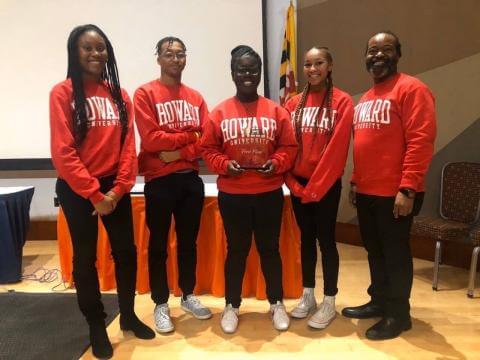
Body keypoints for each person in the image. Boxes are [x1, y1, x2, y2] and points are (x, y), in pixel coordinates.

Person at [50, 24, 154, 359]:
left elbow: (128, 147)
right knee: (85, 260)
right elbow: (63, 151)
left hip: (115, 188)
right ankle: (96, 324)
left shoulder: (119, 95)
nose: (96, 54)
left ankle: (127, 315)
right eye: (87, 48)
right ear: (74, 52)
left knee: (126, 252)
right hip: (78, 189)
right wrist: (94, 194)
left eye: (101, 48)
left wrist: (119, 189)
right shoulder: (62, 94)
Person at [342, 31, 436, 340]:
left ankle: (399, 314)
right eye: (372, 50)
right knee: (375, 252)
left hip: (396, 194)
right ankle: (379, 301)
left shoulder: (412, 89)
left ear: (398, 53)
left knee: (395, 254)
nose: (377, 55)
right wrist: (356, 181)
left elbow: (420, 141)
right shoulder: (368, 97)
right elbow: (366, 146)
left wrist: (408, 188)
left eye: (385, 50)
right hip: (368, 192)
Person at [201, 45, 298, 334]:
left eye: (252, 69)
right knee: (237, 251)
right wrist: (223, 164)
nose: (247, 74)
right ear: (232, 73)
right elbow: (208, 149)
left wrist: (278, 162)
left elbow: (288, 147)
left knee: (270, 250)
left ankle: (276, 303)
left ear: (259, 74)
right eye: (241, 69)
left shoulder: (276, 111)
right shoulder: (219, 112)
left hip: (268, 193)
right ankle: (232, 305)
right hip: (233, 195)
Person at [133, 36, 212, 334]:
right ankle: (160, 303)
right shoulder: (145, 93)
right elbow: (151, 140)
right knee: (158, 245)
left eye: (181, 54)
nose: (176, 59)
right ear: (159, 58)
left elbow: (205, 140)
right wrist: (189, 136)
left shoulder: (196, 97)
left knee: (188, 243)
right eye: (169, 54)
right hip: (159, 181)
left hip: (190, 180)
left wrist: (179, 150)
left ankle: (188, 295)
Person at [284, 47, 354, 329]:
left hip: (324, 187)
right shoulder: (292, 104)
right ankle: (308, 295)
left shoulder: (343, 101)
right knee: (305, 241)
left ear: (330, 65)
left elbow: (337, 151)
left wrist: (314, 189)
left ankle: (329, 301)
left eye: (319, 63)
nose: (313, 69)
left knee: (326, 242)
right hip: (298, 186)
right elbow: (286, 147)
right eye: (308, 64)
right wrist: (293, 184)